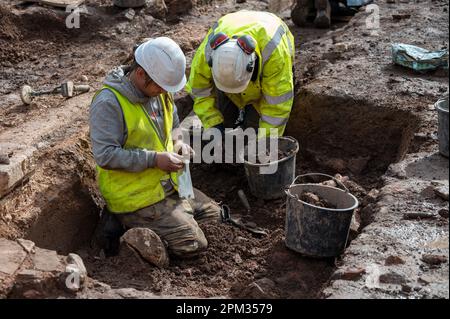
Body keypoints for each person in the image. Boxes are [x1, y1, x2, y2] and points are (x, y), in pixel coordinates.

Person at [89, 37, 221, 262]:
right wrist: (155, 159)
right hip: (136, 197)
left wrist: (179, 143)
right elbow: (105, 155)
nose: (163, 91)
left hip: (168, 185)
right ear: (140, 73)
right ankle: (128, 234)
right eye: (160, 86)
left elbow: (174, 128)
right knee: (194, 244)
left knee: (215, 217)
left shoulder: (160, 89)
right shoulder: (109, 103)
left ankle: (173, 220)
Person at [186, 10, 295, 139]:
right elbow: (199, 91)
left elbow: (276, 108)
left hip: (271, 37)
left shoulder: (275, 55)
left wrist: (265, 143)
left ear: (252, 66)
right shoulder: (206, 54)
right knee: (225, 120)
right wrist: (213, 123)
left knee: (253, 129)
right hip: (232, 24)